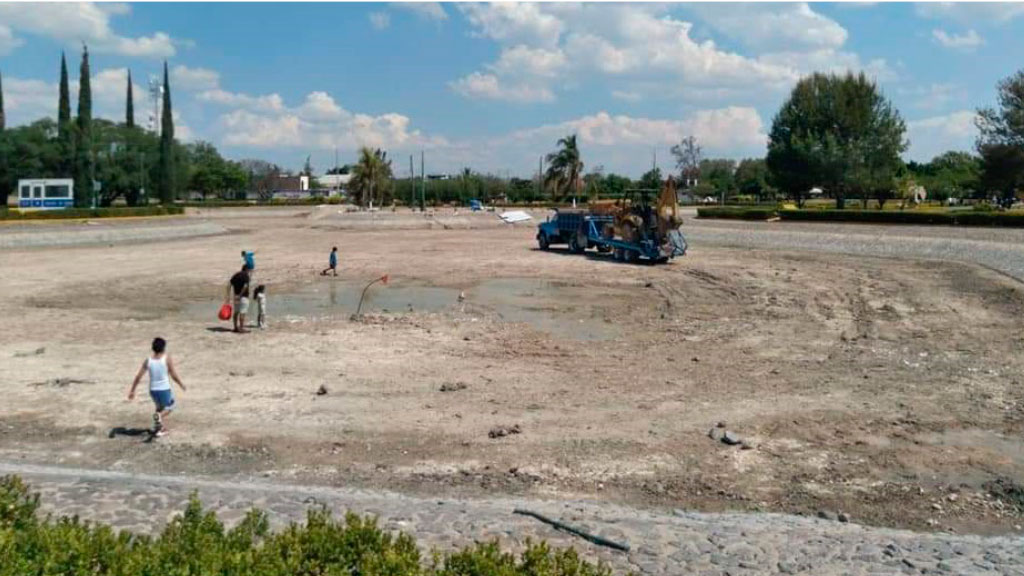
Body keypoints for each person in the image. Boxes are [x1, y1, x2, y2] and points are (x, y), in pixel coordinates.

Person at [127, 337, 186, 437]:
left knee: (159, 408)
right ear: (163, 347)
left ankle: (159, 429)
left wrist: (132, 390)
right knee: (170, 407)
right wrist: (181, 384)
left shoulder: (148, 361)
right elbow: (173, 374)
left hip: (153, 390)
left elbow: (138, 376)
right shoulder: (166, 358)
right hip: (164, 389)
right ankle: (159, 418)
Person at [227, 265, 251, 333]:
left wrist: (228, 295)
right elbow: (245, 286)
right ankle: (241, 328)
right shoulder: (246, 276)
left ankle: (235, 327)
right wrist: (240, 295)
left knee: (236, 312)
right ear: (246, 269)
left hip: (235, 296)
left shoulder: (236, 275)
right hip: (243, 297)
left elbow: (229, 284)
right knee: (242, 312)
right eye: (248, 270)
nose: (249, 272)